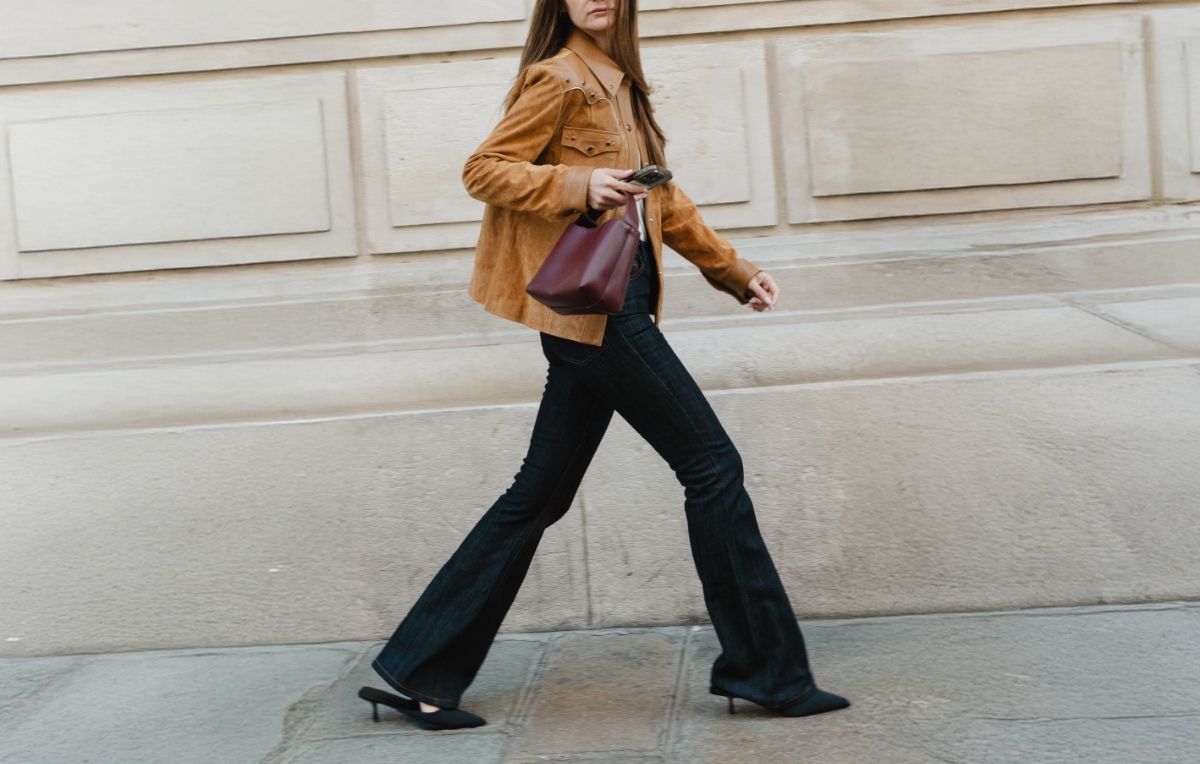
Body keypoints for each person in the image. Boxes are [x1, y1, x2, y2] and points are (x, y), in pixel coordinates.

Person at [356, 0, 850, 731]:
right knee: (713, 466)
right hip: (599, 315)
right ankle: (768, 673)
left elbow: (664, 201)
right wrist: (577, 186)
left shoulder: (622, 84)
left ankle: (420, 674)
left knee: (537, 496)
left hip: (612, 305)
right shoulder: (557, 78)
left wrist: (732, 271)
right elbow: (484, 170)